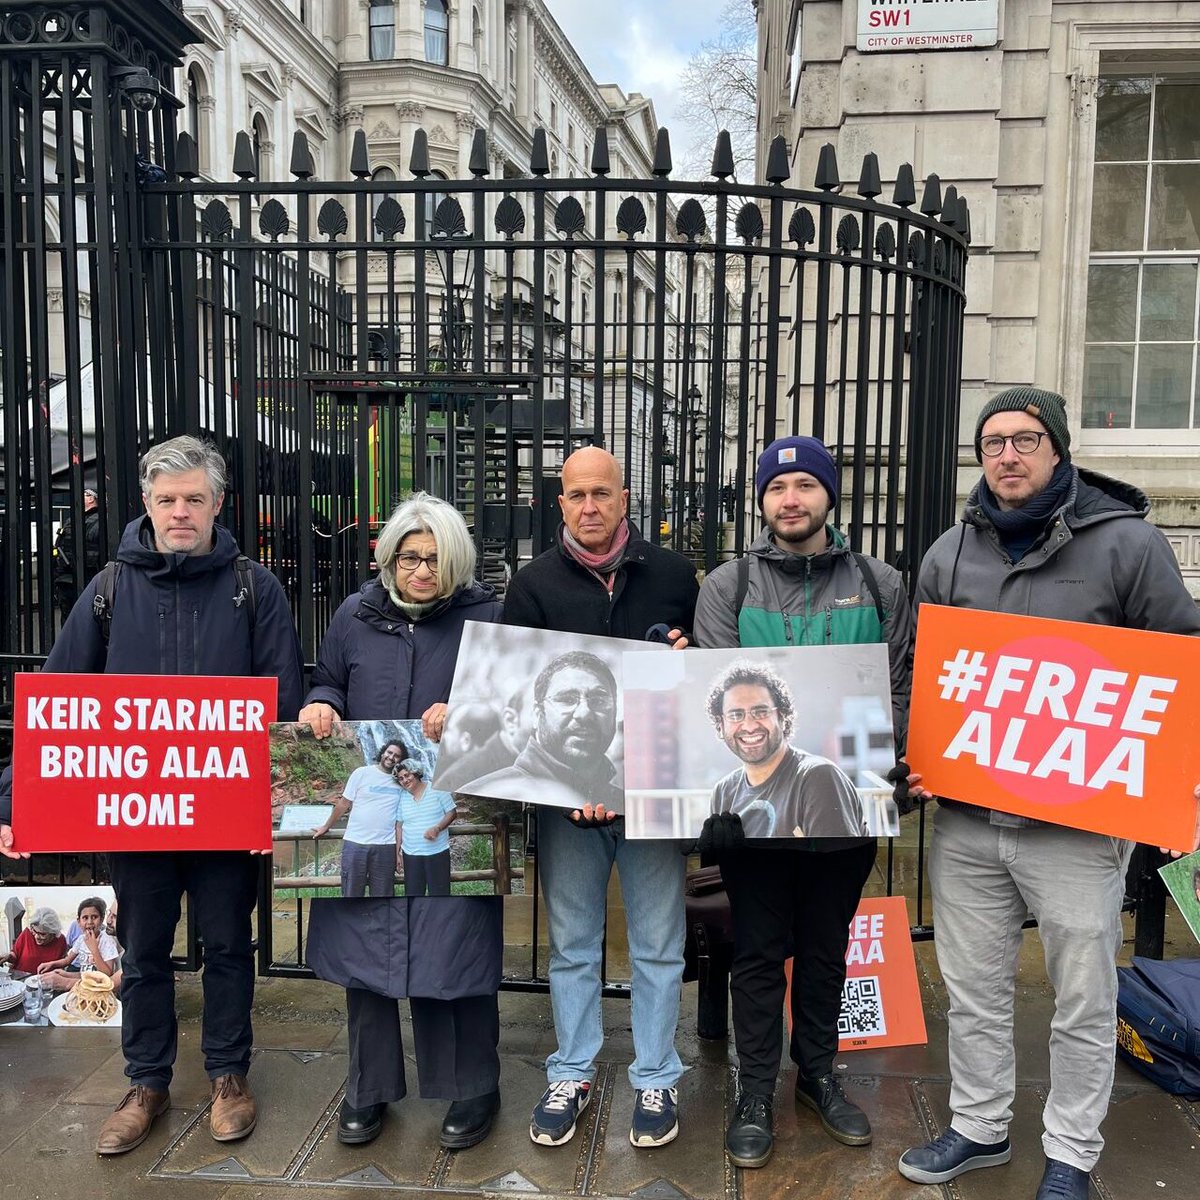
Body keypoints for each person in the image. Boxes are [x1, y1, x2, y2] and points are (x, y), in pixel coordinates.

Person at [898, 388, 1200, 1200]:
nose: (1007, 454)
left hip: (1078, 825)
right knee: (974, 989)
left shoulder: (1128, 546)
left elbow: (1178, 670)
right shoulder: (948, 553)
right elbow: (921, 678)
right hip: (967, 820)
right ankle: (979, 1125)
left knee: (1083, 996)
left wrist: (1176, 792)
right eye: (992, 441)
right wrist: (914, 754)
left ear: (1058, 448)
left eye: (1025, 438)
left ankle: (1070, 1150)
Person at [0, 434, 305, 1156]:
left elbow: (285, 706)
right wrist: (15, 802)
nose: (179, 512)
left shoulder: (253, 588)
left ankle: (229, 1077)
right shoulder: (107, 590)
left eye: (193, 499)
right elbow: (57, 701)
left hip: (228, 818)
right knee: (141, 954)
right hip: (137, 817)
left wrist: (278, 807)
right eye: (167, 500)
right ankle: (146, 1083)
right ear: (145, 504)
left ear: (218, 504)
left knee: (230, 947)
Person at [692, 434, 913, 1168]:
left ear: (829, 496)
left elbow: (903, 687)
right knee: (758, 955)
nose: (791, 499)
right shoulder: (728, 586)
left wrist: (891, 769)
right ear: (761, 501)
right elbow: (718, 698)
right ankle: (756, 1089)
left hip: (843, 812)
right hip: (755, 820)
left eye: (805, 485)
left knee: (826, 951)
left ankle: (818, 1073)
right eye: (777, 486)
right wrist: (715, 805)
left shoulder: (880, 582)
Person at [503, 445, 698, 1150]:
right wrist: (571, 790)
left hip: (653, 795)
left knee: (658, 944)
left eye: (602, 493)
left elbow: (702, 686)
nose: (589, 506)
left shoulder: (674, 576)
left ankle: (656, 1076)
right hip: (565, 805)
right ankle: (573, 1071)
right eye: (576, 494)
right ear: (561, 502)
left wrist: (687, 658)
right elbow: (517, 696)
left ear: (624, 498)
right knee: (574, 945)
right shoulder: (530, 587)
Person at [300, 492, 505, 1152]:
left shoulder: (485, 620)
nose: (423, 570)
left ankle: (472, 1086)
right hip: (375, 813)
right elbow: (328, 680)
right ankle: (368, 1088)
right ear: (388, 556)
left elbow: (508, 707)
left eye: (438, 559)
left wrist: (468, 708)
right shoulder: (355, 616)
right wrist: (322, 706)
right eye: (411, 556)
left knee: (454, 951)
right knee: (367, 956)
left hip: (442, 813)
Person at [706, 660, 866, 838]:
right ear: (721, 726)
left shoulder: (816, 777)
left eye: (760, 712)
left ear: (782, 717)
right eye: (736, 715)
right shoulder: (723, 792)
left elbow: (838, 863)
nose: (749, 726)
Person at [462, 651, 623, 811]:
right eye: (567, 699)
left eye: (599, 700)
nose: (584, 713)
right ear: (536, 715)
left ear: (615, 713)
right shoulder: (479, 797)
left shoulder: (625, 805)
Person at [311, 740, 407, 897]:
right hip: (355, 843)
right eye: (389, 753)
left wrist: (398, 852)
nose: (391, 757)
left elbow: (399, 822)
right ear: (383, 752)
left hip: (385, 846)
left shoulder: (401, 782)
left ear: (400, 761)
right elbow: (343, 804)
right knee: (351, 894)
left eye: (397, 756)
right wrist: (326, 826)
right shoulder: (361, 773)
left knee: (383, 896)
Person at [435, 682, 534, 793]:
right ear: (510, 720)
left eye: (450, 730)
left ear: (466, 740)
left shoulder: (455, 776)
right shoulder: (457, 777)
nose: (445, 736)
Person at [393, 758, 457, 897]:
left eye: (407, 775)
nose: (404, 780)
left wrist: (437, 828)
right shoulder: (402, 797)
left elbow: (452, 813)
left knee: (440, 895)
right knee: (413, 896)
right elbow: (399, 826)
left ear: (416, 773)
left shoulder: (437, 788)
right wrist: (397, 853)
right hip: (411, 855)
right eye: (400, 778)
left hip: (437, 853)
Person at [38, 896, 120, 992]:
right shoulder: (81, 939)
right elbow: (67, 960)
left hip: (99, 990)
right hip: (82, 986)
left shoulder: (107, 941)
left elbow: (107, 975)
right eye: (85, 918)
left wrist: (94, 949)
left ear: (101, 920)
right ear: (79, 922)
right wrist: (52, 964)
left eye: (94, 917)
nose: (90, 922)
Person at [53, 486, 102, 622]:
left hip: (87, 581)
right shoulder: (72, 520)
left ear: (91, 498)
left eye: (83, 495)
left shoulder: (99, 521)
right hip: (66, 580)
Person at [3, 907, 67, 974]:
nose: (36, 937)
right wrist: (8, 957)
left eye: (42, 934)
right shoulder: (27, 933)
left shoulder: (60, 940)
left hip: (47, 982)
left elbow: (62, 964)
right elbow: (15, 955)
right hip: (21, 979)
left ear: (53, 933)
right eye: (34, 931)